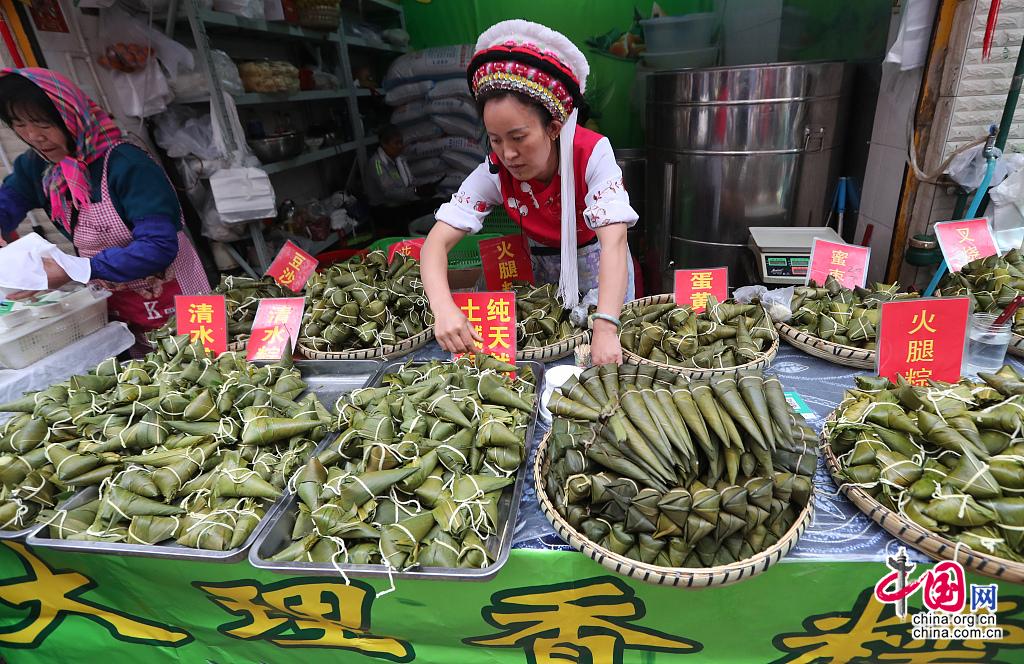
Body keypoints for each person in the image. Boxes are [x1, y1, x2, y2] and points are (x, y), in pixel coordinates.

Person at [421, 20, 638, 366]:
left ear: (553, 127)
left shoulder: (592, 153)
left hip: (603, 279)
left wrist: (607, 325)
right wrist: (443, 308)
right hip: (543, 283)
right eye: (495, 139)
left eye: (518, 137)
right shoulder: (495, 171)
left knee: (601, 368)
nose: (507, 154)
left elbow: (614, 241)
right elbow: (435, 243)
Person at [0, 68, 209, 347]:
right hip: (115, 305)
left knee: (200, 370)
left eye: (43, 124)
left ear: (70, 116)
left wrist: (75, 269)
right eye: (19, 124)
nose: (33, 136)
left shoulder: (127, 165)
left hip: (176, 300)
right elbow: (8, 203)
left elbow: (158, 247)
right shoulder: (37, 167)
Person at [365, 124, 443, 236]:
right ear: (384, 144)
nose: (400, 146)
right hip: (385, 210)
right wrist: (416, 192)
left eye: (401, 142)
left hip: (402, 204)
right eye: (396, 143)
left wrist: (425, 187)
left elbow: (411, 181)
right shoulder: (377, 163)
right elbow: (389, 192)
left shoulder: (400, 159)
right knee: (415, 220)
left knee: (436, 205)